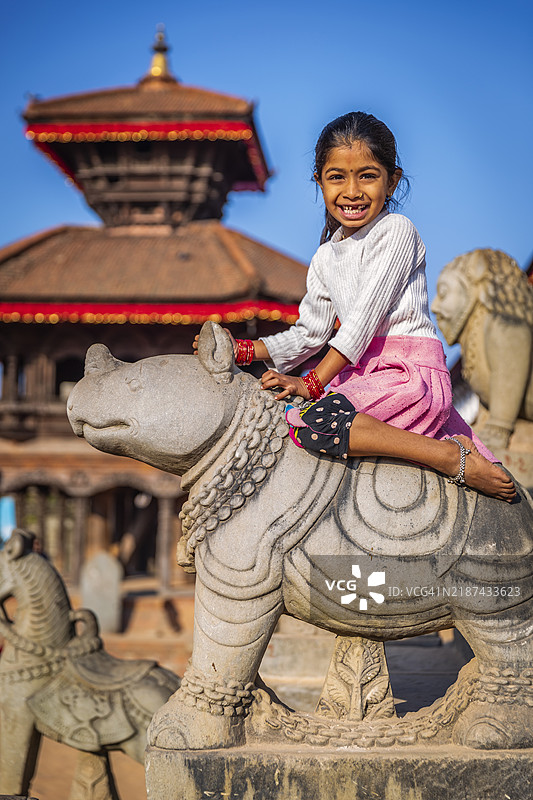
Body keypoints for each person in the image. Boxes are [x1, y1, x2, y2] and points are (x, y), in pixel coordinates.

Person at [195, 112, 515, 502]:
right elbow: (309, 334)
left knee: (313, 421)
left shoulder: (398, 232)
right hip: (359, 375)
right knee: (284, 420)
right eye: (336, 177)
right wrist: (244, 349)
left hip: (408, 376)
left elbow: (361, 324)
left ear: (392, 180)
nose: (351, 191)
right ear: (319, 182)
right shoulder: (325, 258)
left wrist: (310, 383)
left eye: (367, 175)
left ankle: (449, 458)